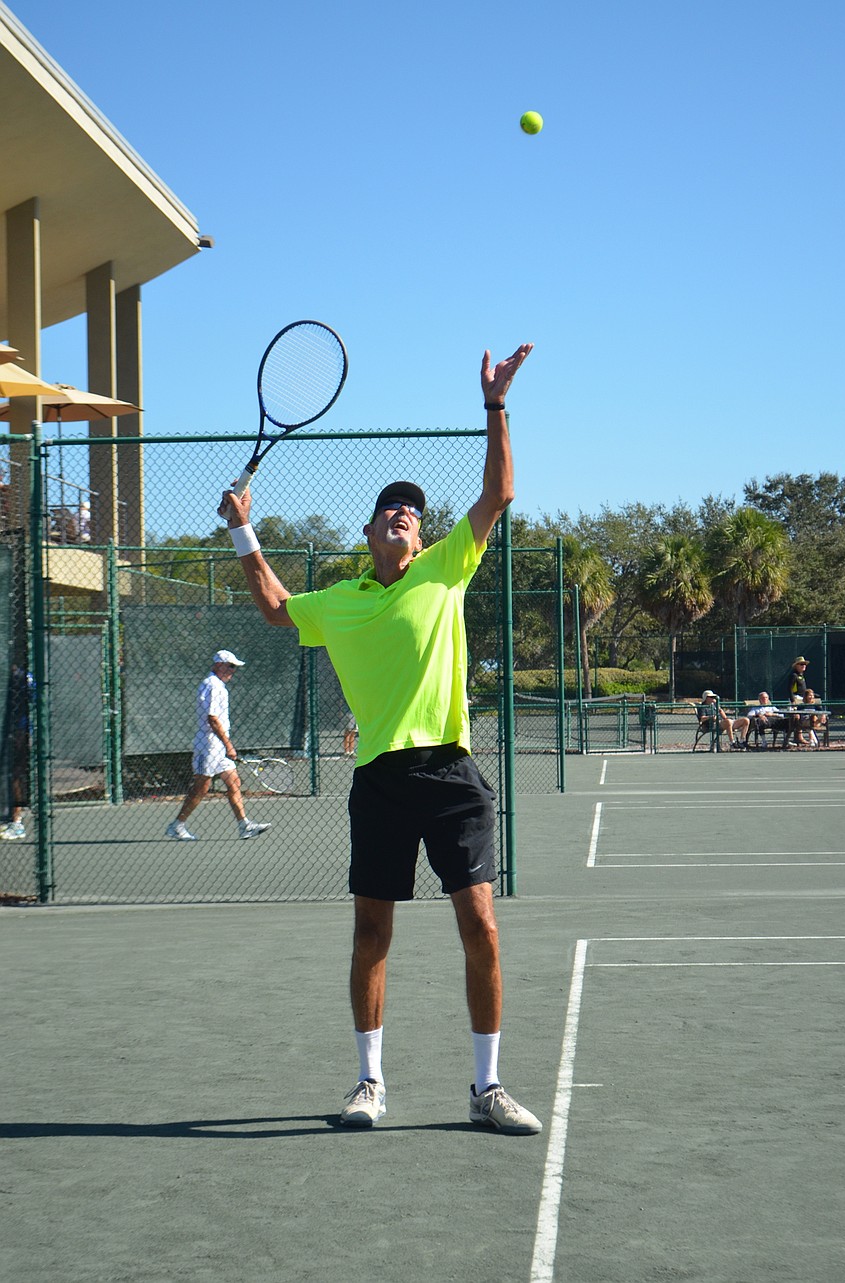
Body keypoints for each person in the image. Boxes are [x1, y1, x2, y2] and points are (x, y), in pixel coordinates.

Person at [218, 344, 542, 1135]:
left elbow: (500, 490)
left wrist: (495, 405)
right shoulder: (340, 602)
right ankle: (369, 1082)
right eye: (391, 509)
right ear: (368, 530)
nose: (405, 513)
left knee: (482, 924)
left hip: (452, 771)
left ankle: (486, 1087)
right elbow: (273, 606)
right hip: (380, 782)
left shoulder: (445, 569)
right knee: (372, 931)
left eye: (414, 511)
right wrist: (242, 530)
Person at [165, 650, 271, 842]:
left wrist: (226, 745)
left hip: (219, 745)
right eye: (230, 666)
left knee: (233, 782)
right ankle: (177, 825)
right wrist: (228, 745)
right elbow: (212, 719)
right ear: (219, 665)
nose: (233, 671)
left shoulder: (218, 686)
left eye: (234, 667)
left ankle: (244, 825)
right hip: (209, 744)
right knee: (201, 787)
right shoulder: (212, 686)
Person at [1, 664, 34, 840]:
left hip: (18, 732)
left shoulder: (23, 677)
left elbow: (34, 699)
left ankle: (16, 821)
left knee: (14, 775)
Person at [785, 656, 810, 747]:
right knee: (794, 719)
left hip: (802, 700)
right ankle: (787, 739)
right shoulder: (794, 675)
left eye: (804, 664)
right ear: (796, 666)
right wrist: (793, 701)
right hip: (795, 699)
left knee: (801, 718)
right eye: (801, 664)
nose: (803, 666)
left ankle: (799, 737)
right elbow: (790, 689)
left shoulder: (801, 676)